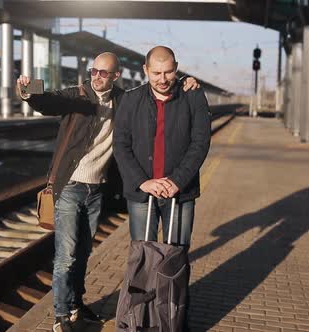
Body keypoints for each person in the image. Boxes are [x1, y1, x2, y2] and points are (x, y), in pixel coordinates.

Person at [17, 52, 199, 332]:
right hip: (69, 186)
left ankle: (77, 305)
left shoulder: (125, 100)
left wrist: (185, 80)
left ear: (116, 76)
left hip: (97, 189)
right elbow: (50, 101)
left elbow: (157, 83)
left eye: (104, 73)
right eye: (94, 71)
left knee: (84, 252)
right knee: (66, 255)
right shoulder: (77, 95)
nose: (97, 77)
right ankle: (61, 314)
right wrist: (29, 93)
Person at [114, 45, 211, 245]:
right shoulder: (131, 100)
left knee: (175, 255)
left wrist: (177, 181)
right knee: (143, 253)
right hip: (142, 191)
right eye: (156, 73)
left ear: (176, 67)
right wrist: (143, 182)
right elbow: (121, 145)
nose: (163, 79)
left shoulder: (193, 96)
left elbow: (200, 143)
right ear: (145, 70)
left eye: (168, 72)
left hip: (180, 191)